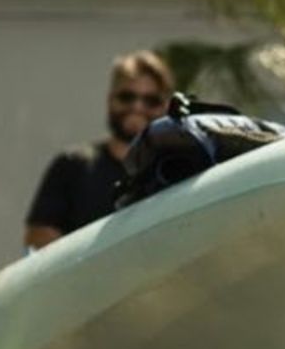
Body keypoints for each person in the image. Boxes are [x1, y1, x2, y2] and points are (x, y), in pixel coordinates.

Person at [23, 50, 175, 250]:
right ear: (110, 99)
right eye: (127, 97)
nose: (137, 107)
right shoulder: (72, 165)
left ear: (165, 107)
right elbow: (39, 239)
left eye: (151, 101)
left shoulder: (174, 171)